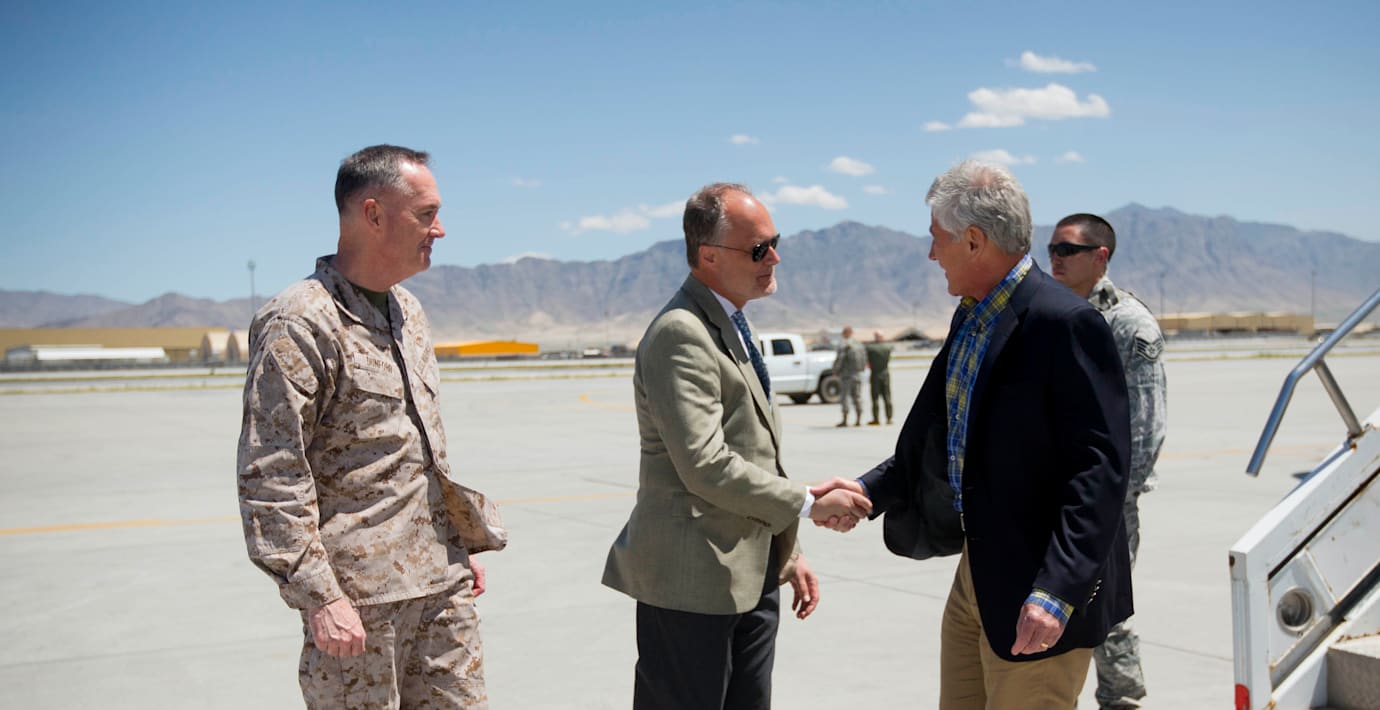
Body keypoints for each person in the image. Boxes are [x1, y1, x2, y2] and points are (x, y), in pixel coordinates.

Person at [814, 161, 1133, 709]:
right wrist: (866, 492)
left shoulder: (1065, 323)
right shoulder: (972, 318)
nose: (931, 254)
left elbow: (1099, 471)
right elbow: (938, 437)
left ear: (974, 241)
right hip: (979, 574)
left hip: (1039, 588)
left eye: (937, 238)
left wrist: (1057, 591)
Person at [237, 145, 505, 709]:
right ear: (374, 214)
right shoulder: (300, 322)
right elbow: (272, 472)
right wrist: (319, 597)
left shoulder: (408, 311)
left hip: (441, 586)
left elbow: (412, 447)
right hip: (359, 605)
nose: (440, 229)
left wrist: (454, 539)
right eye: (426, 214)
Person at [602, 183, 872, 710]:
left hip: (751, 574)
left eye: (774, 243)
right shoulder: (682, 333)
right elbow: (705, 464)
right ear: (708, 256)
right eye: (758, 249)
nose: (774, 258)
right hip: (692, 585)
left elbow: (755, 452)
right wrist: (809, 504)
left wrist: (787, 553)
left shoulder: (729, 323)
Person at [1049, 213, 1167, 710]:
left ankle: (1122, 700)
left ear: (1100, 257)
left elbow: (1145, 426)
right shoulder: (1053, 315)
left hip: (1106, 500)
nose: (1055, 259)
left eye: (1067, 250)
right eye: (1051, 249)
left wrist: (1113, 500)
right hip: (1057, 492)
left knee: (1104, 605)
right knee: (1054, 604)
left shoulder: (1127, 324)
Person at [832, 326, 866, 427]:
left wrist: (836, 370)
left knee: (845, 397)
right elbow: (864, 359)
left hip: (846, 376)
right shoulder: (859, 345)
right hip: (857, 375)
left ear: (845, 333)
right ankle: (858, 419)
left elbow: (840, 359)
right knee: (857, 396)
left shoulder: (844, 345)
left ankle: (845, 420)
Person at [864, 331, 894, 425]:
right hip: (885, 374)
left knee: (875, 397)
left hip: (875, 374)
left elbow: (867, 362)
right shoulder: (888, 348)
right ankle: (889, 418)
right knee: (887, 397)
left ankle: (876, 419)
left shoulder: (870, 348)